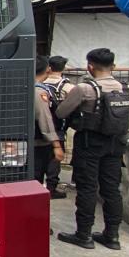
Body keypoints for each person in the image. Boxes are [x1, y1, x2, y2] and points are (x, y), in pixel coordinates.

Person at [55, 48, 129, 250]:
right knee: (111, 189)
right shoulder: (127, 90)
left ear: (90, 66)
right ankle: (112, 236)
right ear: (114, 66)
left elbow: (61, 111)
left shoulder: (85, 89)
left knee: (87, 188)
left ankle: (83, 235)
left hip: (90, 143)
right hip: (116, 144)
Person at [43, 55, 75, 196]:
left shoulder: (40, 83)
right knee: (55, 160)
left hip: (40, 127)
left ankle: (36, 186)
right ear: (64, 68)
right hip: (59, 128)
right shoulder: (69, 87)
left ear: (48, 67)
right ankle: (51, 187)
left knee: (37, 157)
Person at [33, 56, 64, 189]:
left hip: (33, 140)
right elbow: (45, 118)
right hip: (40, 142)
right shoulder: (39, 90)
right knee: (36, 177)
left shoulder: (27, 86)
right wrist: (56, 144)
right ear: (48, 69)